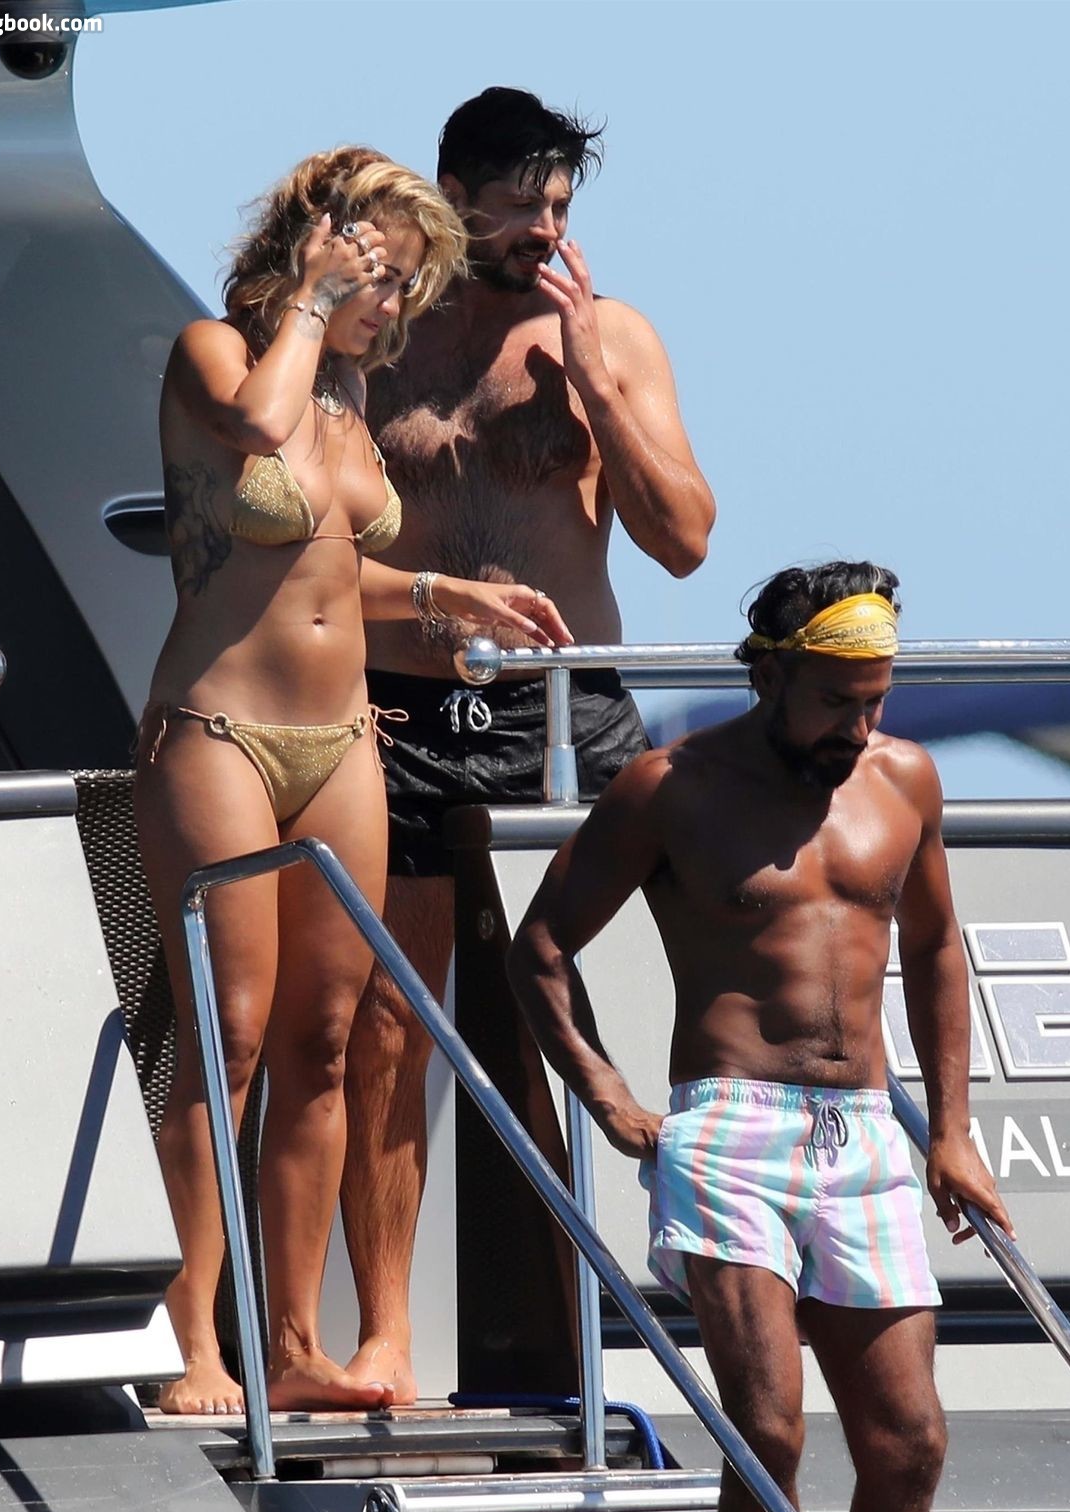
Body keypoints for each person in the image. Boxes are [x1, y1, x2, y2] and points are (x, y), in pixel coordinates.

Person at [506, 561, 1015, 1512]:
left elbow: (934, 949)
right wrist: (611, 1098)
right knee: (771, 1429)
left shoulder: (904, 780)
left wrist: (952, 1132)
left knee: (909, 1444)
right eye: (836, 698)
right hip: (730, 1128)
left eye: (875, 698)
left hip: (869, 1133)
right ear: (771, 670)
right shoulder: (668, 787)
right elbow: (542, 946)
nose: (859, 723)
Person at [137, 146, 572, 1418]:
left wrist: (443, 592)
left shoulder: (346, 395)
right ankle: (192, 1343)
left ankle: (292, 1345)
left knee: (325, 1043)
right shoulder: (219, 356)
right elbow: (255, 435)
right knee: (229, 1032)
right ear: (317, 251)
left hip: (343, 741)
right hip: (219, 730)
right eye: (382, 276)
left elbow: (330, 566)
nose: (394, 307)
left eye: (406, 284)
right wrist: (315, 300)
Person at [341, 88, 716, 1404]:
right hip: (399, 711)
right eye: (517, 204)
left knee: (668, 989)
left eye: (559, 204)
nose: (543, 228)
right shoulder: (380, 337)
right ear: (449, 193)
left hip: (567, 714)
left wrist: (597, 380)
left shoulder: (607, 335)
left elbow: (685, 541)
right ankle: (387, 1335)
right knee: (390, 1023)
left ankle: (696, 1278)